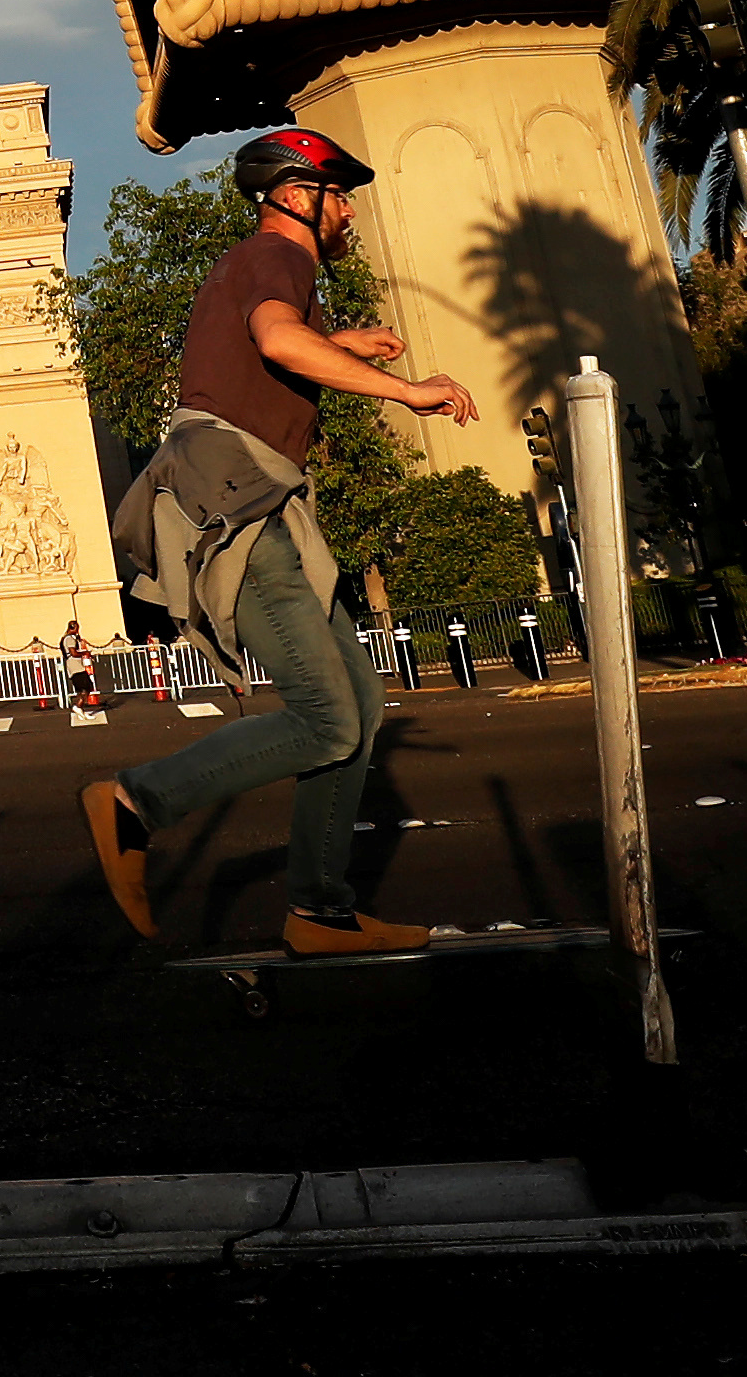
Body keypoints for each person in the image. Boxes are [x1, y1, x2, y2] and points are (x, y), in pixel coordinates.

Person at [79, 129, 477, 956]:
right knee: (328, 716)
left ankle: (319, 911)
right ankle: (133, 802)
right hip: (234, 495)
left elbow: (266, 348)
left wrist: (344, 344)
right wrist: (406, 390)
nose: (351, 210)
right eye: (340, 192)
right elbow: (274, 340)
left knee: (359, 706)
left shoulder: (264, 268)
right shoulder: (278, 255)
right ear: (298, 197)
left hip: (251, 493)